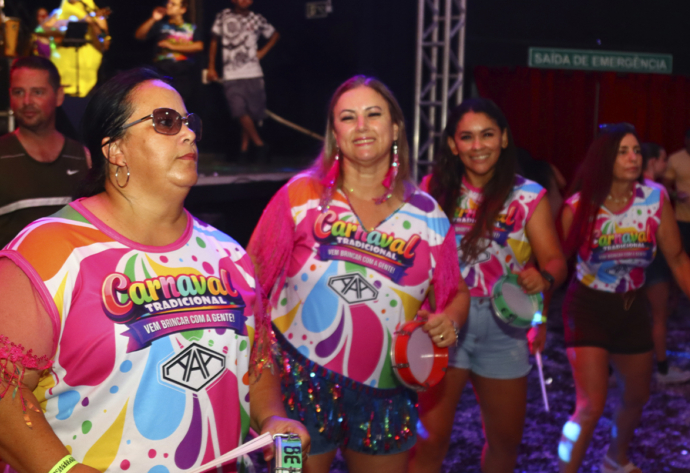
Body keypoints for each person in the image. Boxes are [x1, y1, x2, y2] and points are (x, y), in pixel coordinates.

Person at [0, 68, 309, 473]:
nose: (189, 134)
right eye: (166, 122)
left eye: (189, 123)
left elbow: (255, 362)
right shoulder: (50, 250)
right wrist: (64, 470)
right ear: (115, 150)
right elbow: (5, 393)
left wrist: (273, 417)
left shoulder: (228, 255)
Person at [247, 75, 470, 473]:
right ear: (335, 133)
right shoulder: (300, 196)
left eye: (373, 114)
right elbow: (250, 281)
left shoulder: (428, 215)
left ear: (395, 127)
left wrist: (449, 320)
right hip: (296, 390)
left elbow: (457, 293)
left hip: (386, 393)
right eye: (348, 117)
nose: (362, 126)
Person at [410, 98, 567, 473]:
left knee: (505, 442)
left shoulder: (528, 195)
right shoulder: (432, 190)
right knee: (430, 441)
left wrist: (544, 278)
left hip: (503, 327)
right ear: (453, 144)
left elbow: (556, 261)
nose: (477, 145)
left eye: (487, 135)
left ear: (504, 138)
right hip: (445, 323)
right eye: (467, 137)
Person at [557, 123, 690, 473]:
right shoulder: (578, 207)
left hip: (632, 306)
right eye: (623, 151)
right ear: (604, 158)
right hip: (588, 306)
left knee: (637, 396)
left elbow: (678, 258)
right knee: (590, 406)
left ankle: (615, 457)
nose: (633, 157)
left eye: (636, 150)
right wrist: (535, 314)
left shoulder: (655, 199)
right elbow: (556, 263)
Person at [0, 56, 90, 248]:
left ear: (59, 96)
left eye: (37, 92)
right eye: (18, 92)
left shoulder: (82, 157)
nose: (27, 101)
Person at [207, 0, 279, 163]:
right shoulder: (223, 16)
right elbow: (214, 41)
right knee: (238, 110)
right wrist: (211, 66)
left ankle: (244, 150)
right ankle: (260, 144)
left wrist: (263, 51)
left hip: (253, 72)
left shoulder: (257, 18)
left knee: (250, 114)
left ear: (251, 0)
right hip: (231, 73)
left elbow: (275, 34)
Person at [641, 142, 690, 384]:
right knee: (659, 317)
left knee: (625, 317)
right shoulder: (657, 190)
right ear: (652, 162)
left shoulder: (622, 188)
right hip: (655, 257)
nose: (666, 164)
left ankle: (612, 371)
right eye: (663, 160)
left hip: (629, 256)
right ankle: (662, 370)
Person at [39, 0, 109, 97]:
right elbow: (39, 31)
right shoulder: (58, 14)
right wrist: (59, 26)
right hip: (61, 82)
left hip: (88, 83)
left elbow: (105, 42)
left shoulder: (95, 15)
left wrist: (92, 24)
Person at [134, 0, 203, 109]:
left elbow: (199, 46)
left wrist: (172, 46)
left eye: (173, 4)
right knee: (162, 105)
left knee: (178, 106)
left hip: (182, 74)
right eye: (168, 2)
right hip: (162, 71)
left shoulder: (191, 27)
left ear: (183, 9)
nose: (168, 5)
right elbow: (139, 36)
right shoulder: (161, 25)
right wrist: (153, 19)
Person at [663, 127, 690, 298]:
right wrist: (675, 195)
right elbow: (665, 186)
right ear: (686, 142)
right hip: (682, 220)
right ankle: (674, 299)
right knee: (678, 261)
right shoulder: (675, 159)